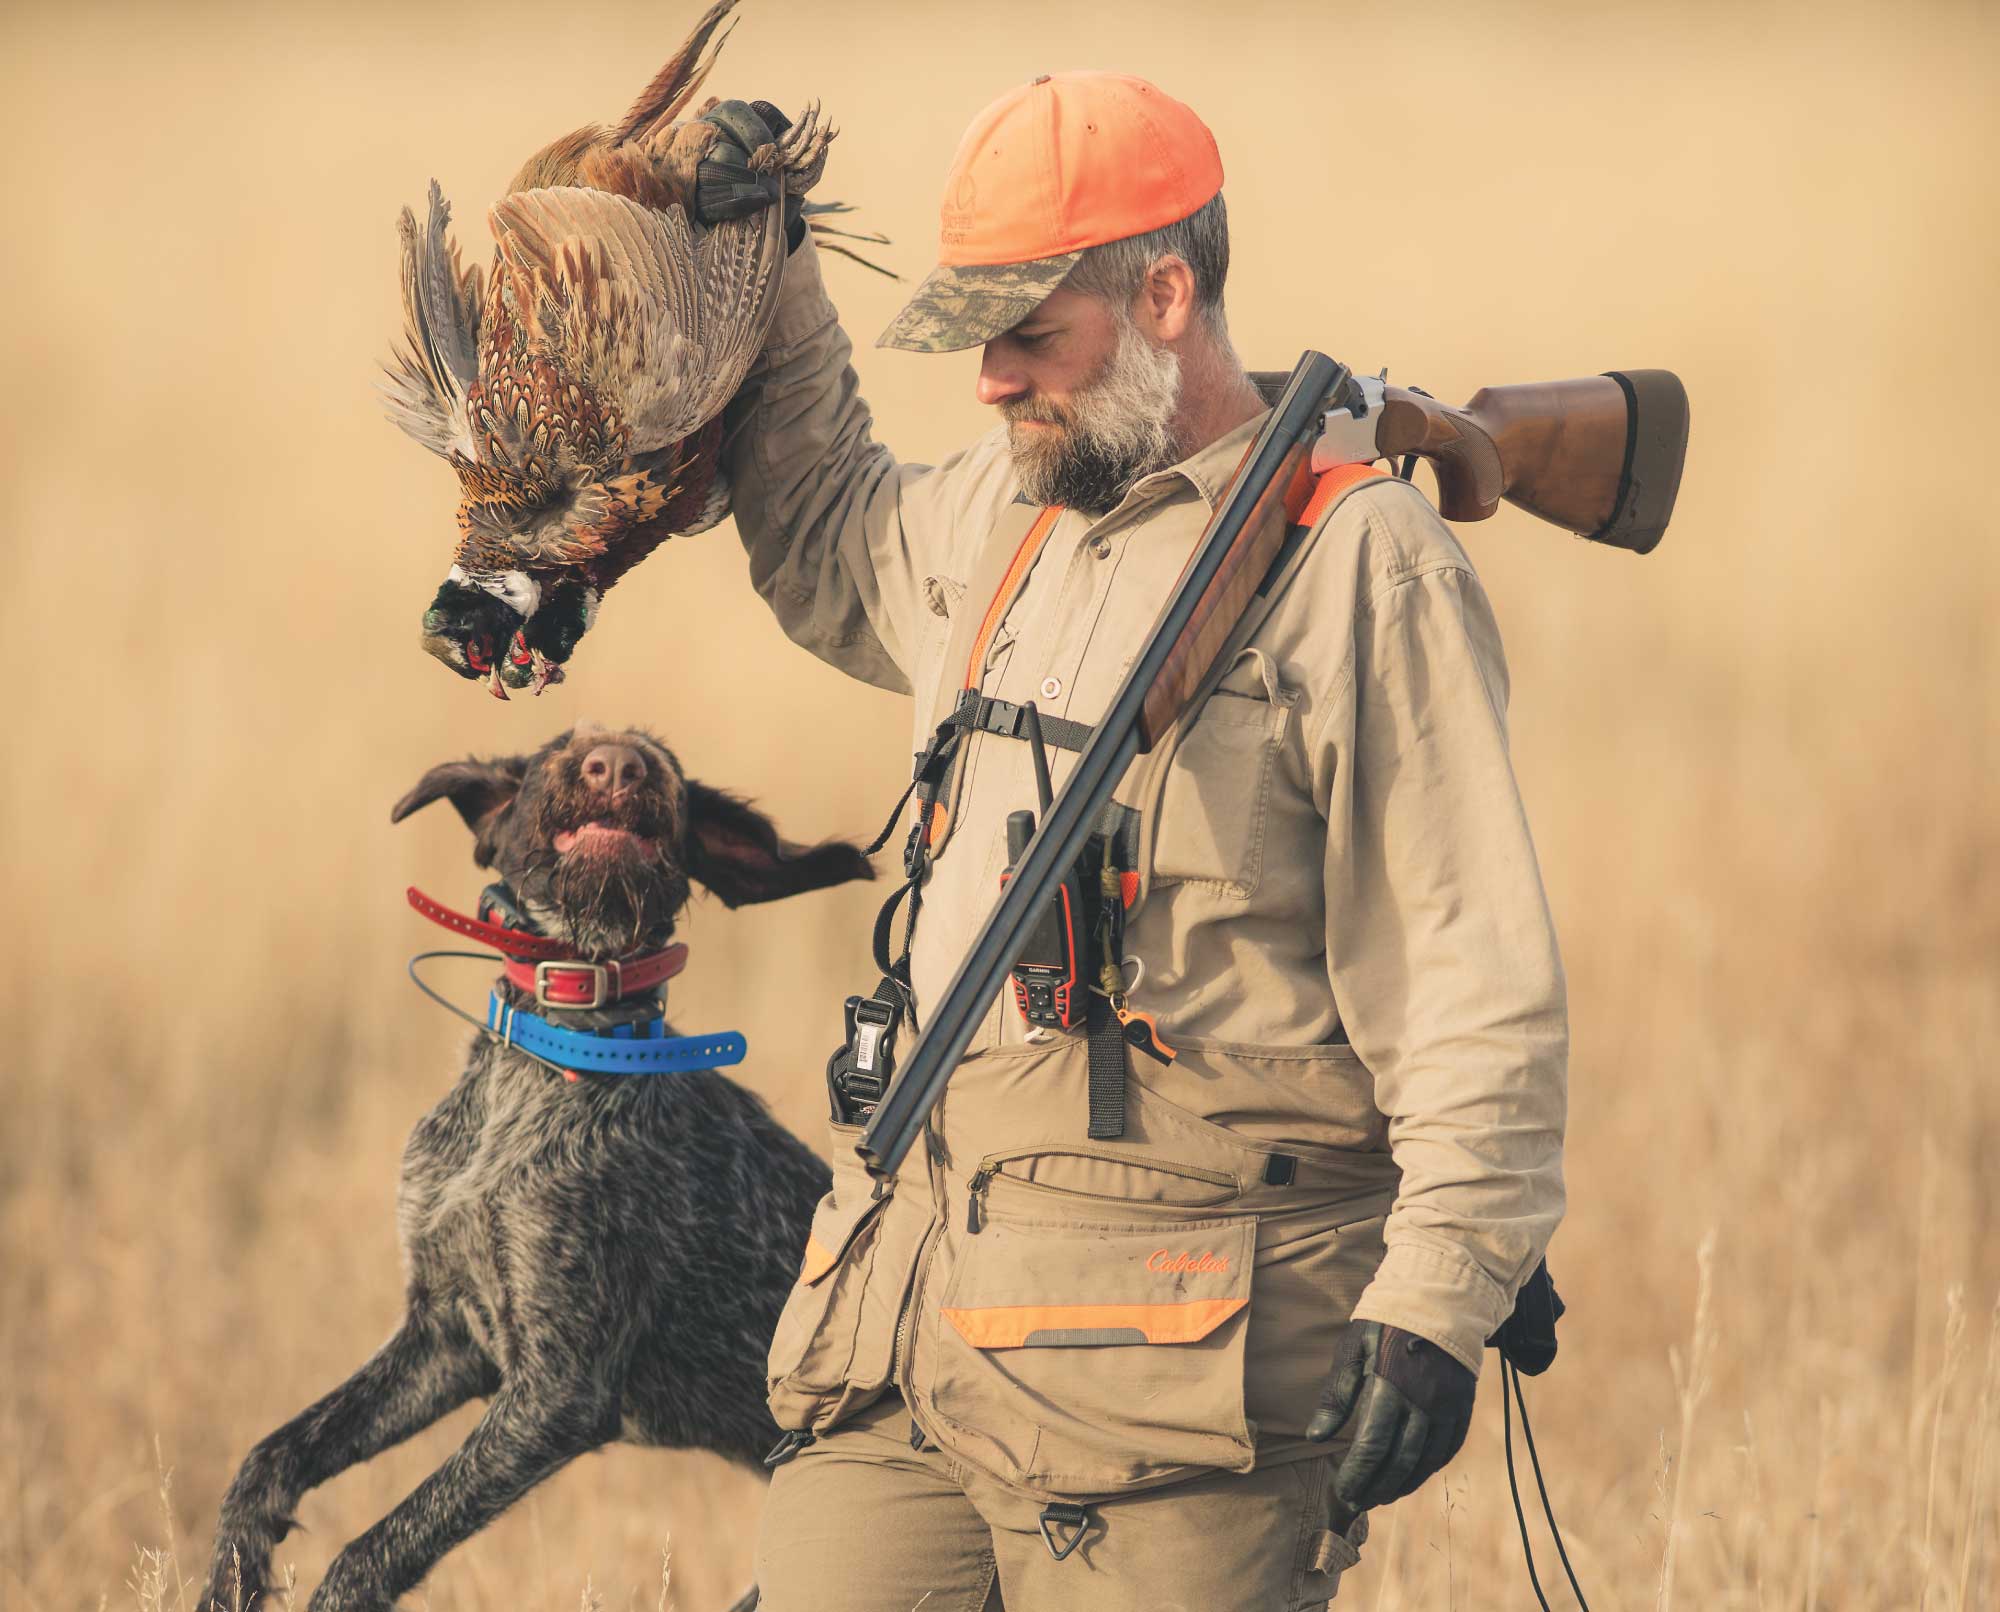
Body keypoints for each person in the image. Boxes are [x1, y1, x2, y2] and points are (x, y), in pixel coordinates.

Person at [696, 73, 1567, 1610]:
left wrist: (1441, 1291)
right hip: (904, 1328)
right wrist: (771, 260)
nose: (988, 380)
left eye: (1031, 334)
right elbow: (828, 526)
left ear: (1167, 293)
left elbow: (1468, 976)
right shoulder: (1002, 512)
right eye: (979, 338)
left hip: (1176, 1379)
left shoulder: (1360, 562)